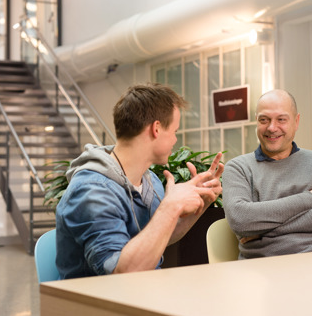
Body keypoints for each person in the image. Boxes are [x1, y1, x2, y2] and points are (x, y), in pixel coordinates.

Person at [55, 83, 224, 279]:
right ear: (157, 129)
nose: (176, 140)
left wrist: (198, 208)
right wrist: (170, 207)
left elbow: (157, 239)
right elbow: (122, 274)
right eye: (175, 131)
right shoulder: (92, 191)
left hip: (143, 293)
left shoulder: (149, 180)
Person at [222, 89, 312, 259]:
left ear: (296, 122)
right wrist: (308, 199)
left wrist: (263, 230)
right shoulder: (238, 168)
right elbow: (241, 220)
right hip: (267, 267)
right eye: (264, 120)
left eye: (281, 119)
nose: (272, 128)